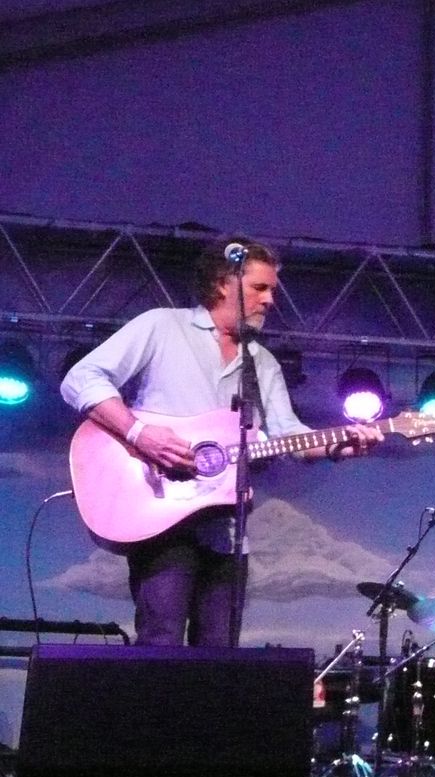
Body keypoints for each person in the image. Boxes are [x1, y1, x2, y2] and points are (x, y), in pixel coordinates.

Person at [60, 235, 383, 647]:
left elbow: (287, 435)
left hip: (227, 531)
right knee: (160, 642)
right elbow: (81, 379)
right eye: (260, 288)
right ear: (222, 283)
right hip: (160, 520)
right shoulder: (163, 326)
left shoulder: (262, 363)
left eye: (272, 290)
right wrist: (140, 434)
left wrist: (341, 445)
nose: (270, 300)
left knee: (220, 654)